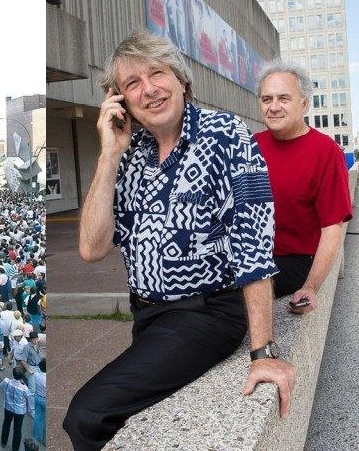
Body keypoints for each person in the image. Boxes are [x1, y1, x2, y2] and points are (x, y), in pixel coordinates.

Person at [63, 31, 295, 450]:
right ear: (120, 101)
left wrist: (263, 352)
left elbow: (253, 241)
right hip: (148, 316)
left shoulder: (224, 134)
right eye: (133, 84)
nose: (149, 89)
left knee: (87, 415)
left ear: (182, 81)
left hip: (206, 313)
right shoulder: (130, 152)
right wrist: (109, 153)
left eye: (157, 73)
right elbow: (92, 248)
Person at [254, 59, 353, 314]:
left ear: (304, 104)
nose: (274, 107)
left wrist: (310, 287)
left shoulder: (326, 152)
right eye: (267, 99)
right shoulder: (249, 146)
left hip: (295, 262)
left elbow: (332, 227)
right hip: (250, 257)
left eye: (283, 98)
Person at [0, 366, 34, 451]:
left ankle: (3, 442)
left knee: (6, 424)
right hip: (19, 411)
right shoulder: (24, 388)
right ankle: (15, 448)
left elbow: (2, 385)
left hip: (8, 407)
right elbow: (27, 395)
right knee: (17, 429)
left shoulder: (6, 381)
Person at [32, 359, 46, 446]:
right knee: (45, 420)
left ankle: (35, 437)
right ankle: (45, 440)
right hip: (45, 399)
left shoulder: (36, 375)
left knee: (37, 417)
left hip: (37, 396)